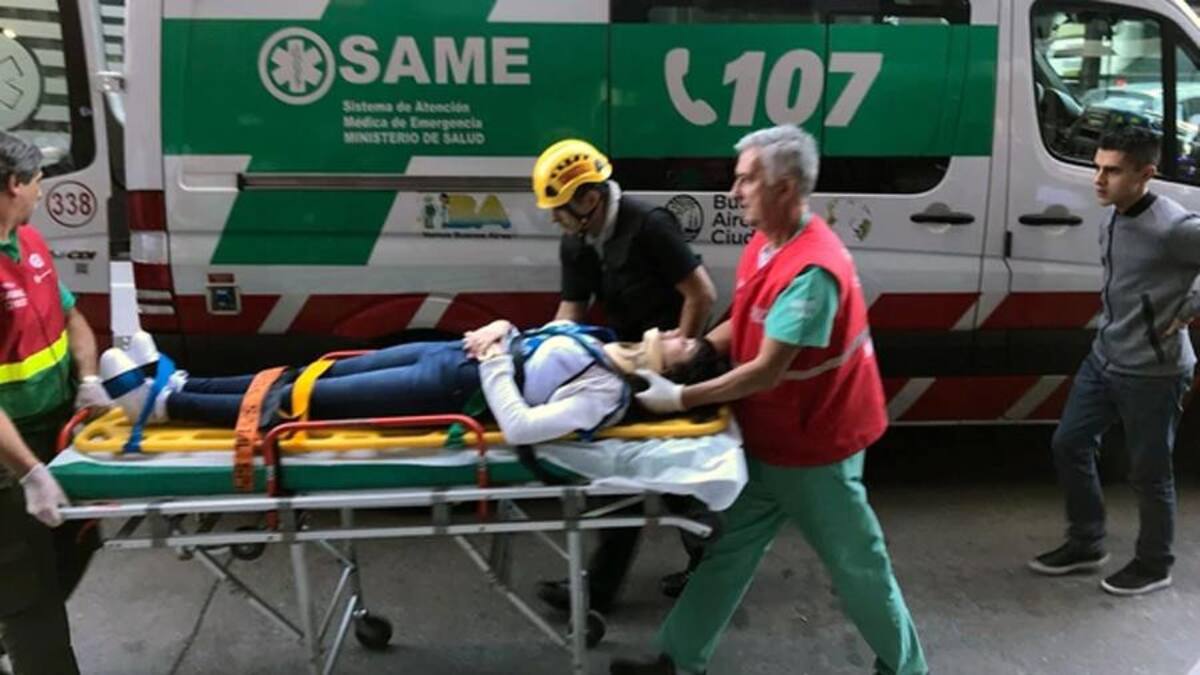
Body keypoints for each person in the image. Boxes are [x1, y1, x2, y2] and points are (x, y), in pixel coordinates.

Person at [613, 125, 927, 675]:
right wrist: (688, 349)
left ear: (785, 188)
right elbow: (746, 318)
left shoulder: (812, 275)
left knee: (858, 564)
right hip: (771, 440)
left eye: (746, 180)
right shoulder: (767, 243)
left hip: (815, 451)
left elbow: (765, 371)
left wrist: (681, 396)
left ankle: (906, 668)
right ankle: (678, 659)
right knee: (727, 549)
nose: (735, 191)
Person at [532, 138, 719, 613]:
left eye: (560, 209)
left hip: (671, 362)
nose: (556, 219)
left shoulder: (649, 227)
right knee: (631, 475)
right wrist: (542, 351)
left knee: (671, 476)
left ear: (590, 200)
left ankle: (713, 567)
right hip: (626, 361)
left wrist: (679, 365)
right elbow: (571, 310)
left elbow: (702, 294)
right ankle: (599, 591)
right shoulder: (577, 241)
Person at [1027, 126, 1200, 595]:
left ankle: (1154, 563)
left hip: (1153, 371)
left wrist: (1189, 307)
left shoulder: (1174, 227)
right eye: (1097, 168)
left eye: (1113, 171)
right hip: (1104, 358)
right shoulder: (1116, 214)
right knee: (1069, 444)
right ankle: (1087, 543)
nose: (1099, 180)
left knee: (1148, 472)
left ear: (1147, 174)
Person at [100, 322, 724, 447]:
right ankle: (184, 380)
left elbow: (523, 428)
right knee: (309, 373)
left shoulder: (606, 394)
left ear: (666, 370)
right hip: (446, 353)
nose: (673, 333)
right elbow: (541, 330)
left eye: (681, 344)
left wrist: (495, 363)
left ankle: (163, 408)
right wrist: (501, 328)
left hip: (448, 393)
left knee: (304, 403)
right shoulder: (605, 341)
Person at [0, 131, 108, 675]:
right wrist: (28, 472)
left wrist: (88, 378)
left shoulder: (30, 243)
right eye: (38, 182)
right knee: (31, 593)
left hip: (58, 430)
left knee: (78, 545)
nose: (43, 191)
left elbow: (72, 317)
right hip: (9, 452)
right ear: (14, 185)